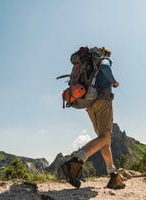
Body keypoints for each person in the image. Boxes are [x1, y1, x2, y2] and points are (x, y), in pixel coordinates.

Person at [60, 47, 125, 190]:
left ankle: (113, 175)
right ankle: (76, 162)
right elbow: (105, 67)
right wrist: (114, 82)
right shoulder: (104, 58)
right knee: (105, 136)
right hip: (103, 100)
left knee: (103, 140)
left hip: (90, 104)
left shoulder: (89, 63)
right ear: (106, 52)